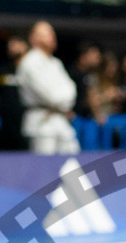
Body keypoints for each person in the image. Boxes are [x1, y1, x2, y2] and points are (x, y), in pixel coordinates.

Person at [18, 21, 78, 155]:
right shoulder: (29, 62)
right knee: (44, 171)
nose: (52, 37)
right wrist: (63, 100)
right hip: (41, 122)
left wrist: (64, 100)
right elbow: (51, 96)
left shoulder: (55, 62)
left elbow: (72, 89)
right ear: (33, 38)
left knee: (72, 165)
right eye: (46, 34)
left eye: (52, 33)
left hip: (61, 120)